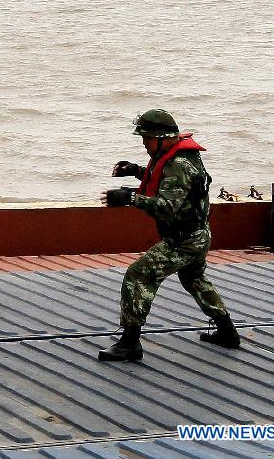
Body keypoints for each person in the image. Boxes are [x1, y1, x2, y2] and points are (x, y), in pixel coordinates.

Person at [98, 109, 240, 361]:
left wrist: (129, 198)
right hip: (196, 234)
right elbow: (167, 181)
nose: (144, 144)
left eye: (146, 139)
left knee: (138, 274)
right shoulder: (177, 158)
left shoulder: (180, 164)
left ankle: (130, 343)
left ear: (162, 137)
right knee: (194, 279)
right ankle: (227, 332)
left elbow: (167, 205)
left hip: (184, 240)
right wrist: (136, 170)